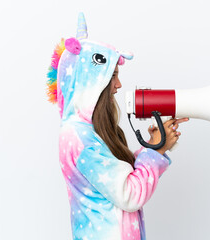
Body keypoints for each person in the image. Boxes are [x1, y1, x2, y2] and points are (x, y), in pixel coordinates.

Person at [46, 12, 188, 240]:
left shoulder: (84, 133)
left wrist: (153, 146)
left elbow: (115, 177)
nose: (119, 85)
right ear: (91, 80)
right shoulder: (77, 137)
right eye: (112, 76)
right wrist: (157, 152)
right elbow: (129, 194)